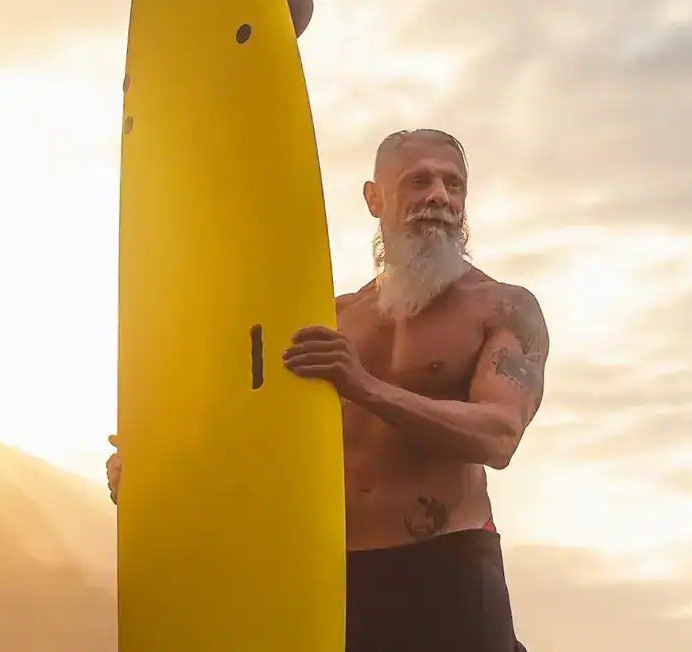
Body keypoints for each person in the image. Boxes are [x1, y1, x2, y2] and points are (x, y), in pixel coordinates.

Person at [107, 128, 546, 652]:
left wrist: (364, 387)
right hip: (333, 578)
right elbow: (258, 442)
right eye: (418, 181)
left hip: (447, 567)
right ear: (373, 198)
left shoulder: (503, 308)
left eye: (454, 185)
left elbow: (498, 435)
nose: (439, 197)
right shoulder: (331, 318)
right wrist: (157, 481)